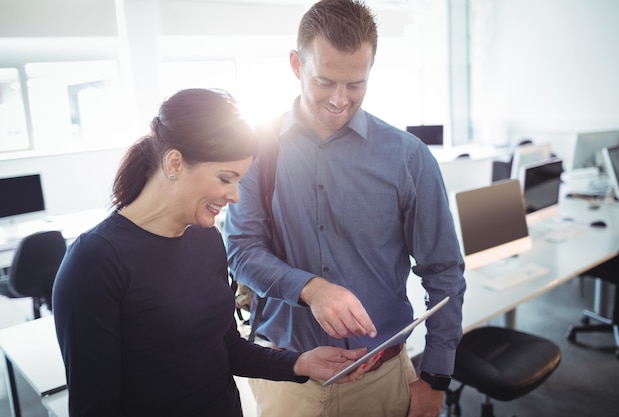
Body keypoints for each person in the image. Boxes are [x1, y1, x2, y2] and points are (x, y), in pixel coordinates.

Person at [52, 88, 377, 417]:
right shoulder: (94, 262)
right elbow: (94, 407)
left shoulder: (206, 240)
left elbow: (225, 347)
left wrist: (299, 362)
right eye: (226, 179)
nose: (235, 196)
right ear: (175, 162)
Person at [224, 1, 467, 417]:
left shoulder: (408, 158)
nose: (340, 100)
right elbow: (242, 250)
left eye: (356, 83)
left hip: (382, 377)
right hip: (287, 376)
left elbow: (443, 270)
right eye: (325, 81)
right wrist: (311, 289)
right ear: (296, 65)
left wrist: (436, 379)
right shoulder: (256, 148)